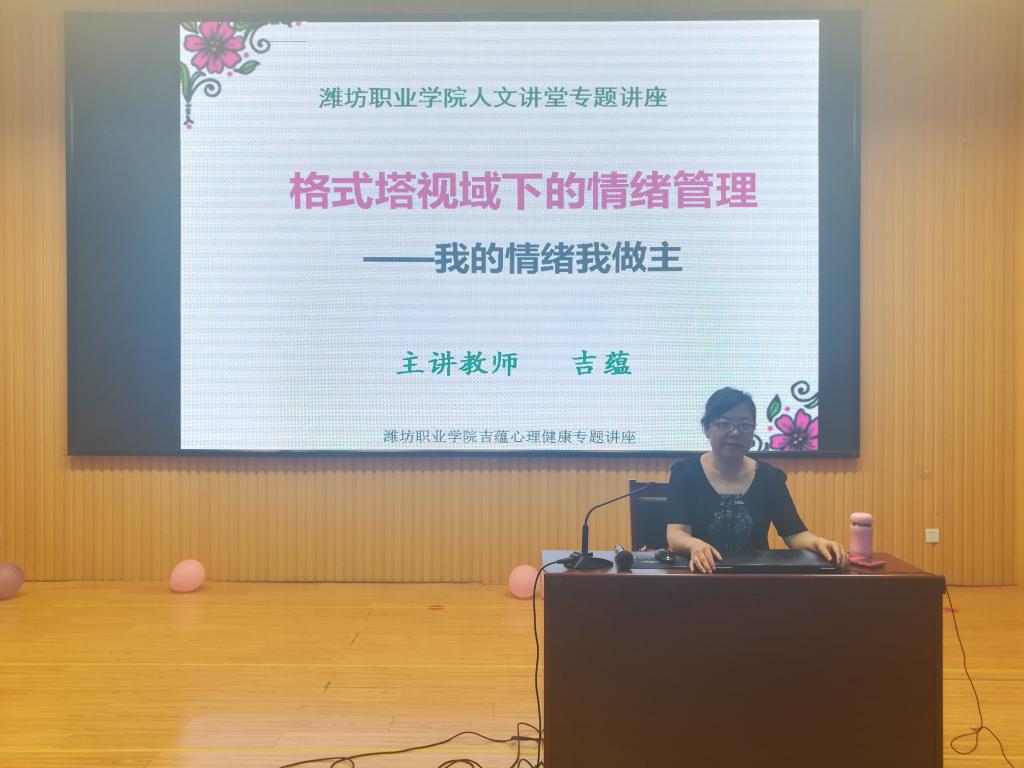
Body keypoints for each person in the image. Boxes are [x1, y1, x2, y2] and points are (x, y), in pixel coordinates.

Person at [666, 387, 848, 573]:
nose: (735, 433)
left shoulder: (770, 477)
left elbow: (795, 535)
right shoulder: (685, 472)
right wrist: (693, 544)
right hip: (700, 575)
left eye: (745, 425)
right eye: (724, 423)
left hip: (755, 578)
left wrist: (819, 543)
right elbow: (676, 533)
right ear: (706, 428)